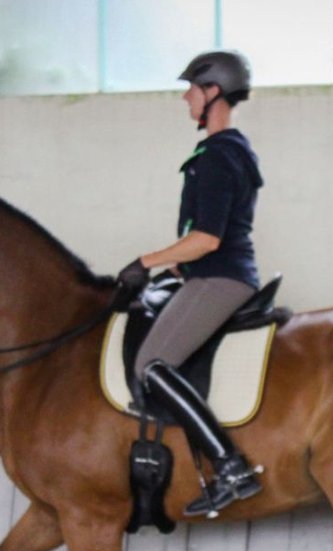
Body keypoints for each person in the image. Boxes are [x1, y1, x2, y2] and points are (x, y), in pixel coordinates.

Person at [117, 50, 265, 518]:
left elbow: (206, 240)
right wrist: (168, 270)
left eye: (191, 89)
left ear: (212, 92)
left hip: (221, 278)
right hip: (209, 272)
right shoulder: (223, 152)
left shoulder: (221, 156)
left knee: (152, 364)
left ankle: (230, 465)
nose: (185, 97)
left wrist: (145, 261)